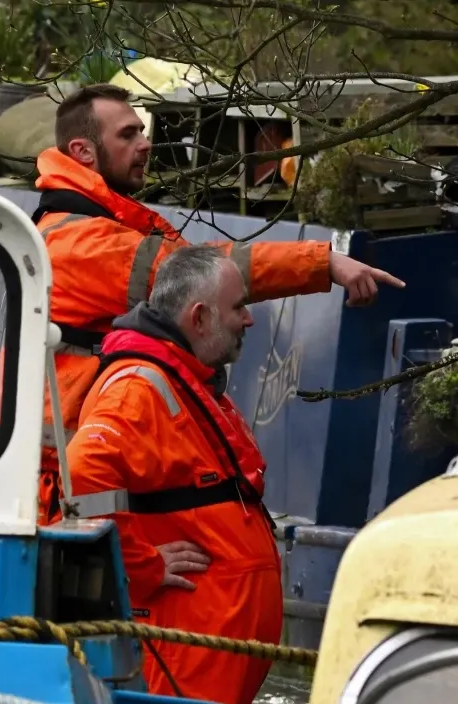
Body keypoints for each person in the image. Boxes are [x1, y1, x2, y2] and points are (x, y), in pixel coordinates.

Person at [34, 84, 400, 516]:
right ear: (82, 151)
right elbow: (199, 275)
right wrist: (323, 262)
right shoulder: (83, 244)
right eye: (128, 135)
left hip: (69, 474)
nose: (145, 144)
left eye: (142, 131)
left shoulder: (80, 225)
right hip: (62, 488)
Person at [65, 245, 285, 704]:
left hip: (208, 652)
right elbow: (83, 470)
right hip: (185, 653)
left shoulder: (185, 380)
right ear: (199, 317)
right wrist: (138, 565)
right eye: (238, 307)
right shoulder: (138, 388)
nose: (248, 320)